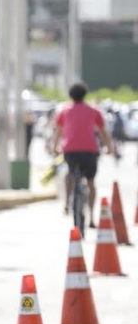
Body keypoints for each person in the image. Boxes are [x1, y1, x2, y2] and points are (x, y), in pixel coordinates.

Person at [50, 81, 115, 226]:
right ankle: (91, 216)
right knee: (91, 182)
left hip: (70, 151)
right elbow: (104, 132)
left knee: (70, 174)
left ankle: (66, 204)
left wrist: (54, 147)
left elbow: (58, 132)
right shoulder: (94, 110)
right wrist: (109, 147)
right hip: (90, 151)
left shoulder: (64, 111)